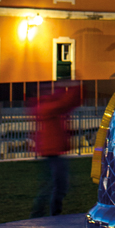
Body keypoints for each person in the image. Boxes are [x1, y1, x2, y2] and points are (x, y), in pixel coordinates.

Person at [30, 84, 82, 217]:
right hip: (52, 151)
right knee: (57, 186)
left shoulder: (47, 106)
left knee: (54, 185)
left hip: (52, 150)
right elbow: (66, 103)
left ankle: (44, 213)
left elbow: (66, 104)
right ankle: (46, 214)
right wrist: (76, 86)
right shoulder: (48, 107)